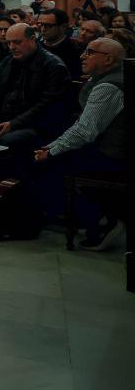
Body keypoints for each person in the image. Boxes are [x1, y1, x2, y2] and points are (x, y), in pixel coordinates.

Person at [32, 38, 126, 250]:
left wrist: (52, 150)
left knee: (46, 162)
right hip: (107, 146)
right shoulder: (107, 77)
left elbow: (85, 131)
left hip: (112, 154)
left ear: (108, 58)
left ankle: (101, 219)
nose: (82, 56)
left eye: (90, 52)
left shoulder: (109, 86)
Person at [0, 24, 73, 151]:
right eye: (9, 43)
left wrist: (13, 124)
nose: (12, 47)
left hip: (36, 125)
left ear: (32, 39)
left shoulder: (53, 66)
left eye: (17, 42)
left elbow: (46, 105)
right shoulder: (8, 61)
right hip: (4, 119)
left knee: (4, 141)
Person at [37, 8, 82, 79]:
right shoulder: (35, 47)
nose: (43, 29)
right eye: (40, 25)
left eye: (48, 26)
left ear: (63, 27)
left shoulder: (74, 51)